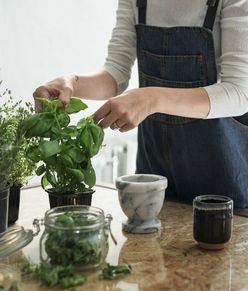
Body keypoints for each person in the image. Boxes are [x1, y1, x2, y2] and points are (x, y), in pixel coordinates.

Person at [33, 0, 248, 208]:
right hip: (154, 175)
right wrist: (72, 83)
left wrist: (150, 99)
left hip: (222, 181)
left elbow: (239, 93)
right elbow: (115, 72)